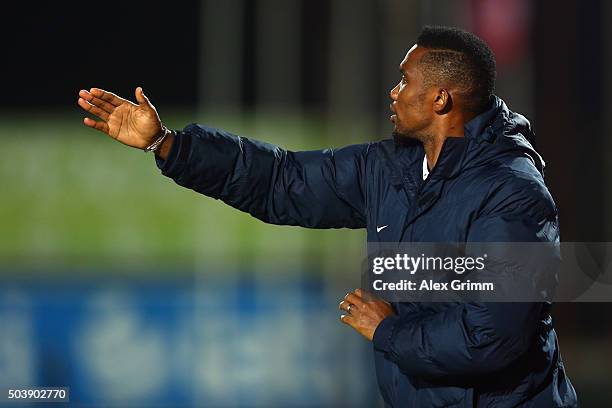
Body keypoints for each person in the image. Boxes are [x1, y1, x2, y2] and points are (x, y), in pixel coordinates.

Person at [77, 26, 577, 407]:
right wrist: (170, 146)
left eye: (404, 81)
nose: (393, 92)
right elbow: (282, 180)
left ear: (441, 98)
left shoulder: (513, 194)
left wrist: (388, 332)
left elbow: (492, 337)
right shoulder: (391, 166)